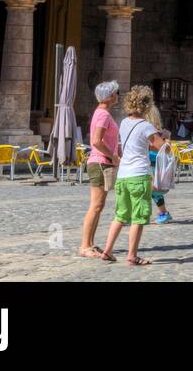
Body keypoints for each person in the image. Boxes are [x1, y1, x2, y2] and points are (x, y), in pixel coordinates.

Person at [100, 86, 166, 265]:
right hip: (139, 175)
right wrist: (166, 141)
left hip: (123, 176)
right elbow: (162, 147)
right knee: (139, 216)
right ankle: (132, 255)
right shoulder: (146, 126)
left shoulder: (124, 123)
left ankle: (107, 251)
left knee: (120, 215)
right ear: (147, 105)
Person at [80, 80, 120, 260]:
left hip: (101, 161)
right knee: (95, 206)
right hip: (100, 162)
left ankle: (89, 243)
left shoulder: (101, 113)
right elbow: (96, 141)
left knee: (99, 206)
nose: (118, 96)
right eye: (116, 93)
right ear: (110, 96)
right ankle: (84, 245)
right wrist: (112, 155)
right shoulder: (103, 114)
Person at [146, 105, 172, 224]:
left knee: (153, 190)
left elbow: (165, 149)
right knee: (152, 191)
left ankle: (163, 213)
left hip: (152, 164)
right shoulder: (157, 132)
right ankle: (163, 213)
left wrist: (167, 139)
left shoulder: (153, 132)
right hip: (151, 163)